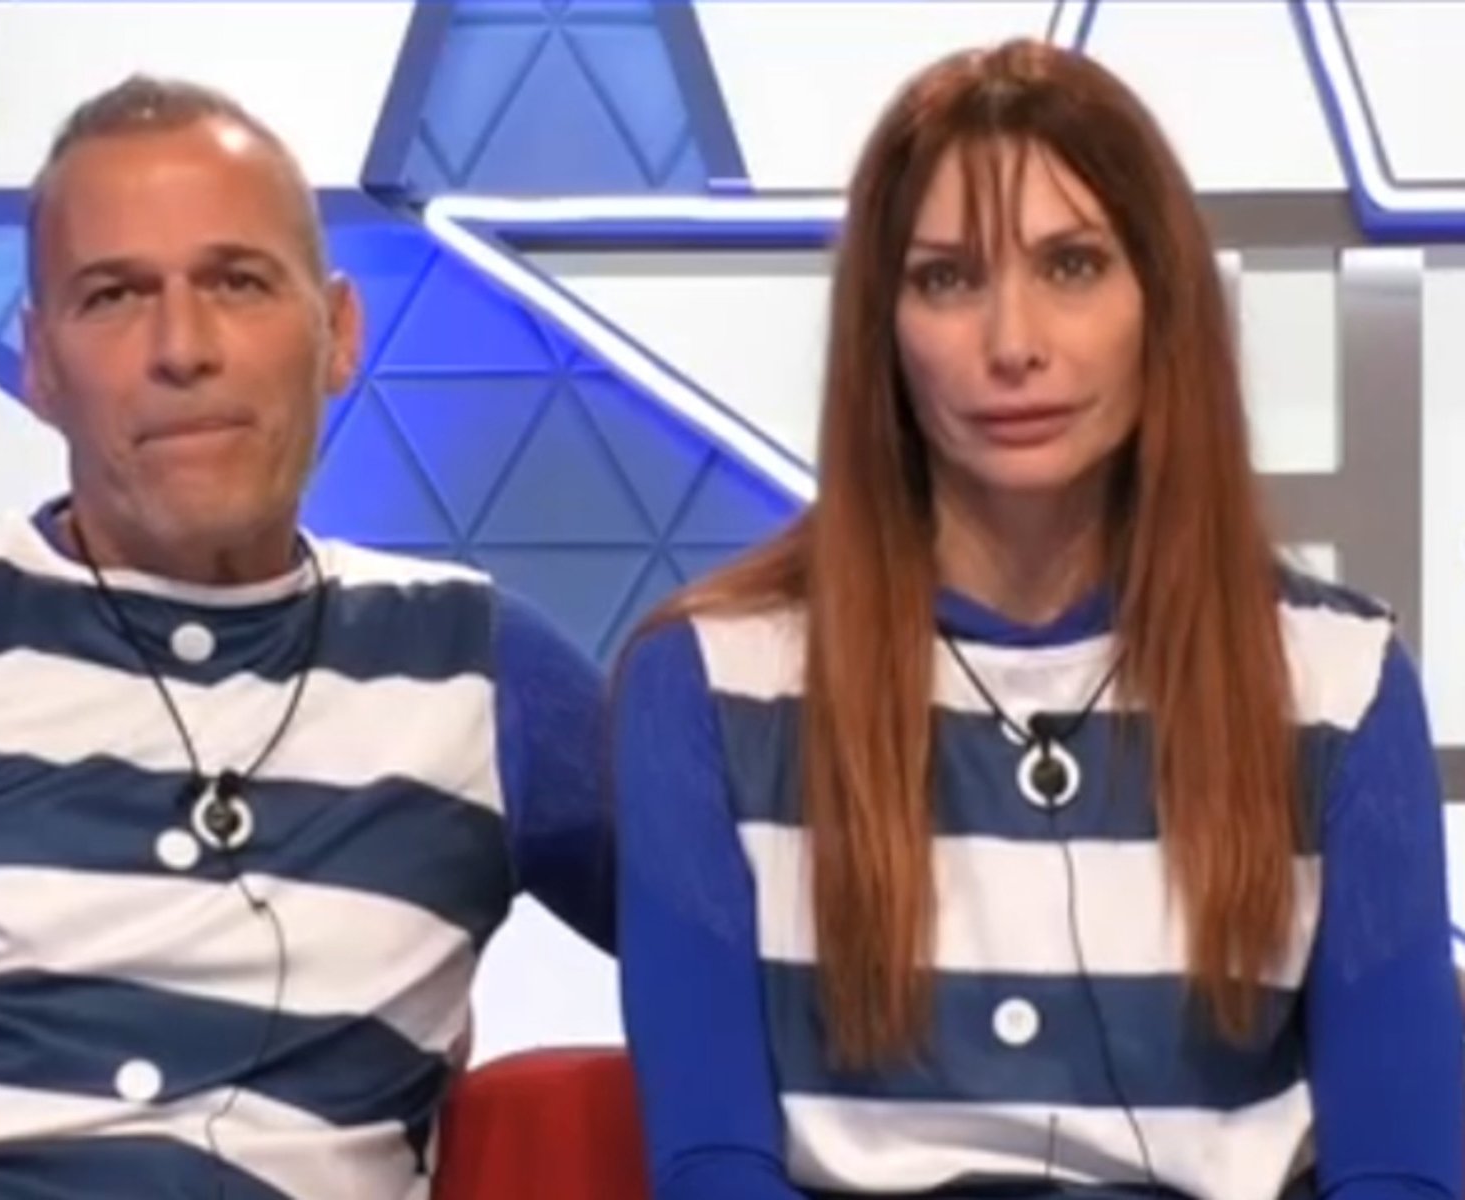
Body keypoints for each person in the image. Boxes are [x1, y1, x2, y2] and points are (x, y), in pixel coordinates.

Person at [612, 38, 1463, 1200]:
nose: (1012, 344)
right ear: (881, 328)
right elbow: (712, 1169)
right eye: (947, 280)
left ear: (1159, 304)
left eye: (1071, 265)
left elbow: (1399, 1174)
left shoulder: (1338, 681)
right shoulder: (708, 682)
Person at [0, 76, 612, 1198]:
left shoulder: (479, 663)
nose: (183, 347)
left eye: (238, 282)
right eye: (114, 296)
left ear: (338, 333)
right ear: (40, 363)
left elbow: (795, 972)